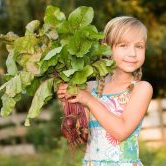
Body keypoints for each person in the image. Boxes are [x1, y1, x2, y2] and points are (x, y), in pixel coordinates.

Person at [57, 16, 153, 166]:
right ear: (106, 47)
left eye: (139, 46)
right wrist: (68, 100)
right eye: (123, 45)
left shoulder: (141, 89)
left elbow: (121, 132)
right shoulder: (90, 88)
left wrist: (88, 100)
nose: (133, 53)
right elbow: (83, 134)